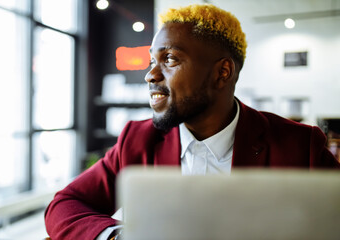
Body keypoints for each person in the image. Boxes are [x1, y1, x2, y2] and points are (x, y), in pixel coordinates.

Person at [44, 4, 340, 240]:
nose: (150, 75)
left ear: (222, 72)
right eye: (151, 62)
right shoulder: (137, 140)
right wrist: (116, 236)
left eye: (170, 59)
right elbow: (65, 205)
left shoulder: (300, 146)